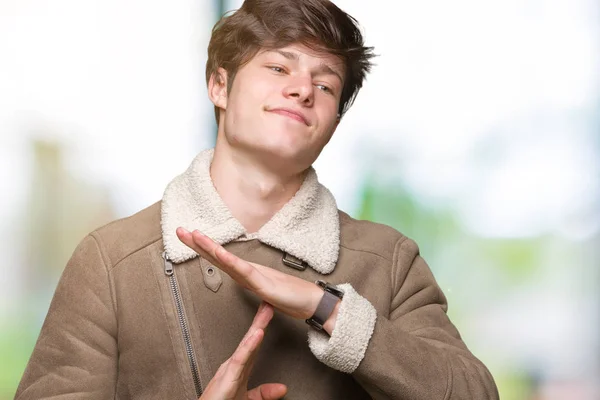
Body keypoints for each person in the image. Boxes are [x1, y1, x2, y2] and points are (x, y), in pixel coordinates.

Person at [16, 0, 499, 398]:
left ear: (333, 122)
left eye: (326, 84)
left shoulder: (390, 262)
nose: (303, 89)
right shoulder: (111, 261)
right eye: (277, 66)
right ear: (219, 85)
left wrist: (328, 308)